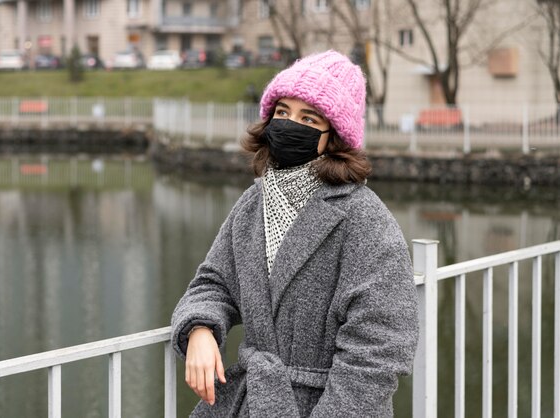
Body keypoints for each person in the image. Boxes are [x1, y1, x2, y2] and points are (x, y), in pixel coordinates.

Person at [171, 50, 419, 417]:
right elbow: (213, 283)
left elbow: (379, 350)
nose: (289, 124)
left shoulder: (365, 218)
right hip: (248, 402)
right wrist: (200, 329)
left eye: (308, 117)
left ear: (333, 137)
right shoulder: (254, 202)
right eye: (282, 112)